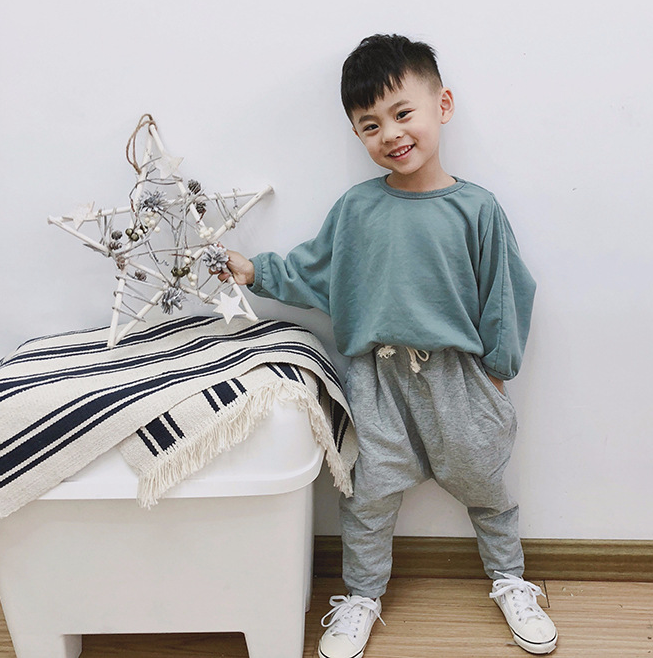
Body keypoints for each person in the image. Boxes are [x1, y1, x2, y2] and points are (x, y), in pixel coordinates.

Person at [220, 34, 558, 656]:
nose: (391, 134)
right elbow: (315, 270)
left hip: (458, 378)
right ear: (357, 133)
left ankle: (511, 579)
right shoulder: (357, 209)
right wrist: (256, 271)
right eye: (370, 125)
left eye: (404, 113)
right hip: (375, 379)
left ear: (442, 105)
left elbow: (508, 293)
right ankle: (361, 595)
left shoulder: (477, 209)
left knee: (485, 485)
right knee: (368, 493)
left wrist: (496, 372)